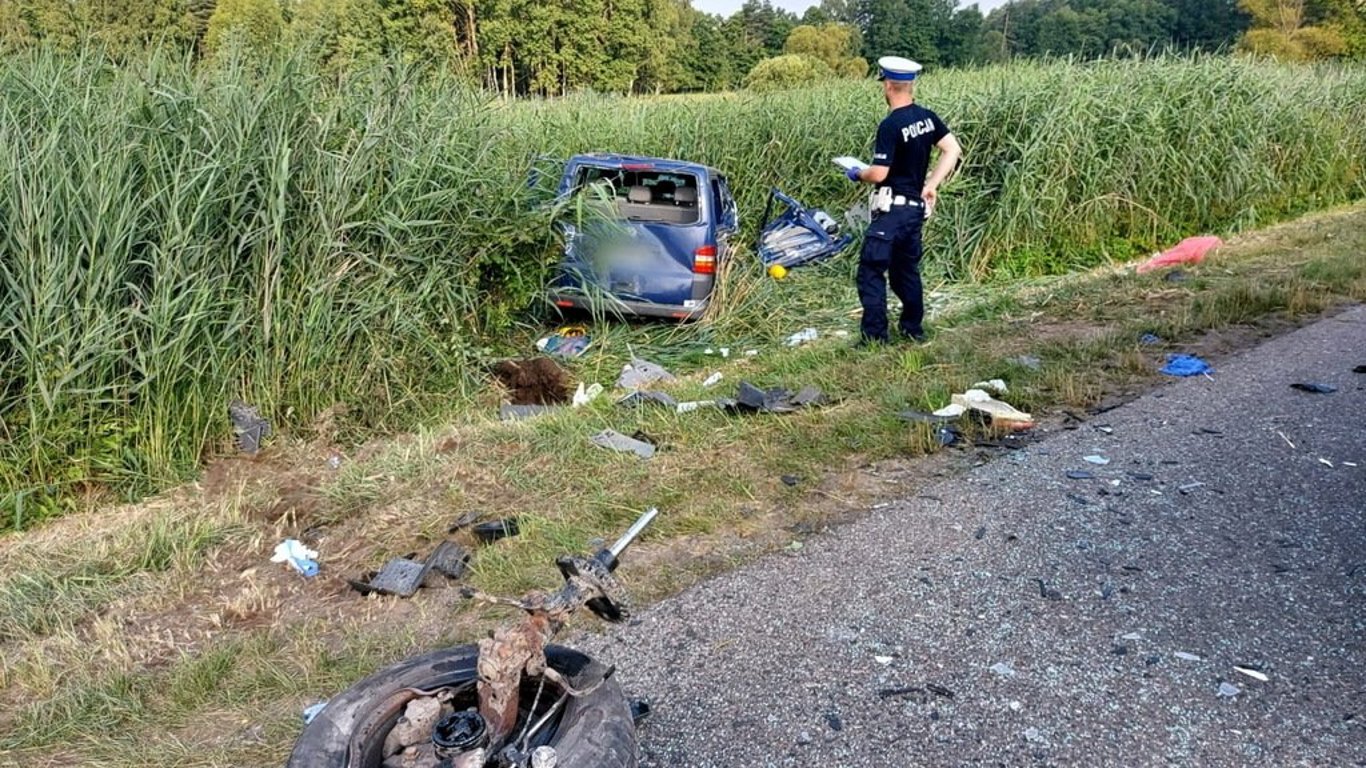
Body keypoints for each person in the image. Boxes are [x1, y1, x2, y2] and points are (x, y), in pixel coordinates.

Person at [846, 56, 962, 345]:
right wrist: (931, 185)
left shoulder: (891, 125)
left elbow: (879, 173)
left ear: (887, 85)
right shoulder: (927, 117)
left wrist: (858, 173)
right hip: (914, 212)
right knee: (905, 272)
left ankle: (875, 337)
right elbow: (952, 149)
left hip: (891, 212)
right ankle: (913, 330)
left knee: (871, 271)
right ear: (910, 85)